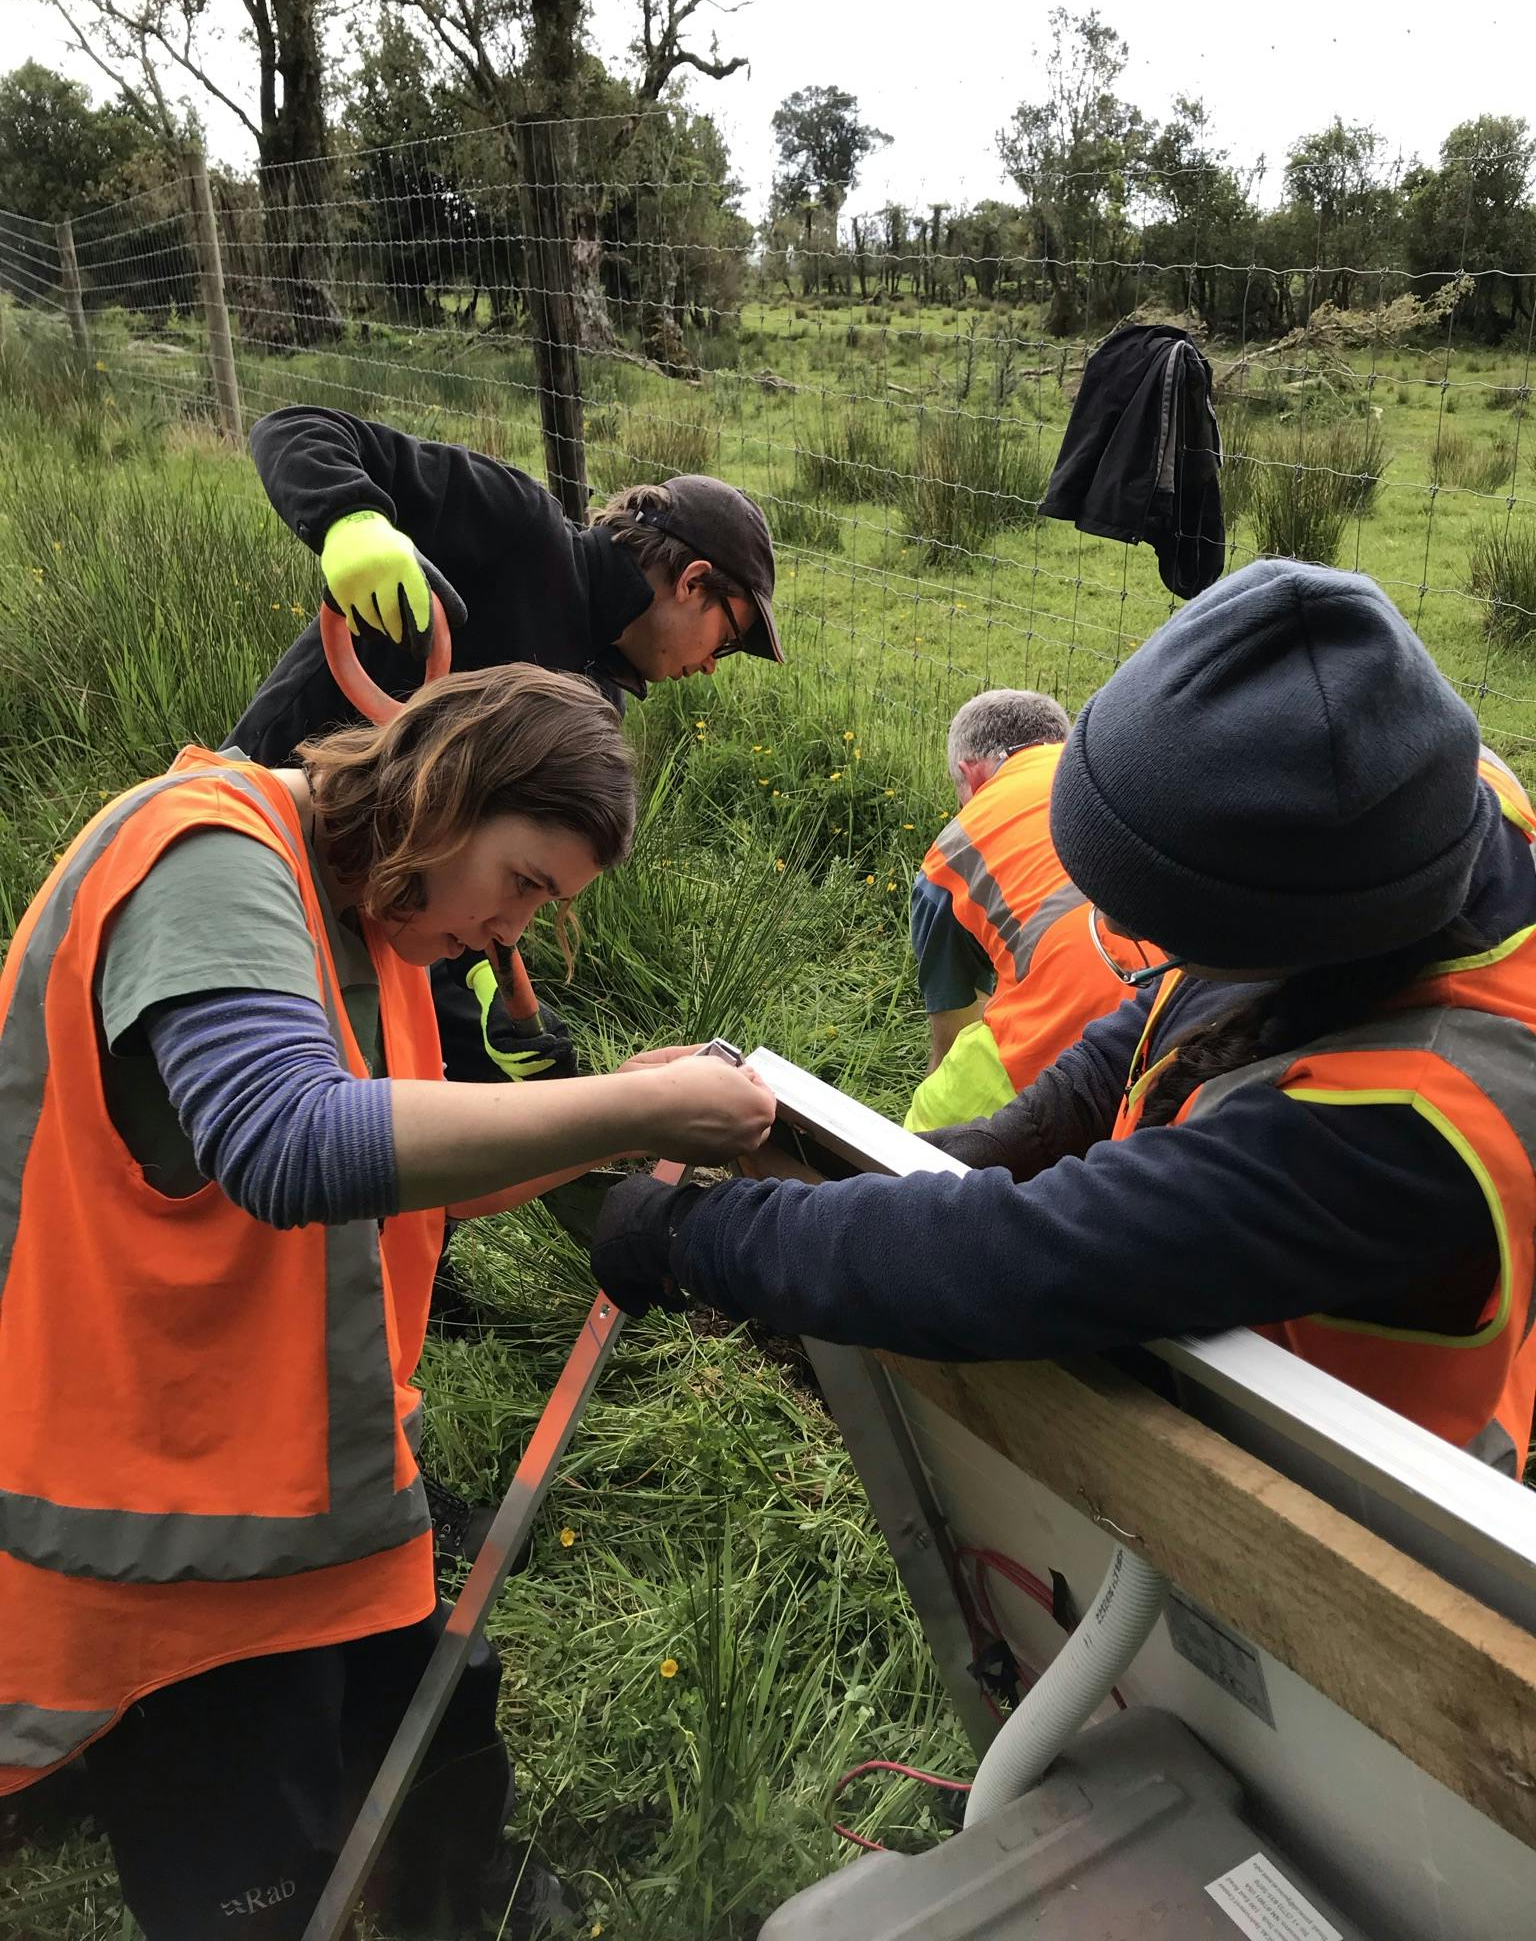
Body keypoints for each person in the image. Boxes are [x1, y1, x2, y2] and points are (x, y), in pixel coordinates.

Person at [0, 663, 775, 1938]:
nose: (512, 930)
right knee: (251, 1862)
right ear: (448, 788)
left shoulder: (368, 916)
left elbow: (403, 1174)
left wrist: (597, 1130)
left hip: (302, 1477)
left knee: (435, 1712)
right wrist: (640, 1108)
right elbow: (289, 1138)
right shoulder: (207, 851)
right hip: (157, 1510)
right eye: (525, 880)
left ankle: (451, 1899)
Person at [588, 560, 1536, 1475]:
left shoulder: (1407, 1123)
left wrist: (699, 1240)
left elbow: (1030, 1259)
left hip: (1366, 1498)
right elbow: (1168, 1013)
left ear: (1284, 923)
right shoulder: (1423, 803)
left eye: (1150, 912)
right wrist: (984, 1144)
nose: (1112, 930)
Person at [229, 405, 784, 1090]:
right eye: (726, 639)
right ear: (693, 581)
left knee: (348, 1089)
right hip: (270, 834)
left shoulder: (592, 706)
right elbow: (297, 430)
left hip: (379, 907)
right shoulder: (521, 532)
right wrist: (353, 523)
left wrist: (492, 1016)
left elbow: (475, 885)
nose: (711, 666)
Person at [905, 688, 1127, 1131]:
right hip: (1195, 1006)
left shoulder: (949, 855)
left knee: (928, 1132)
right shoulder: (1116, 773)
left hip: (1089, 1024)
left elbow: (952, 1028)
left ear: (971, 775)